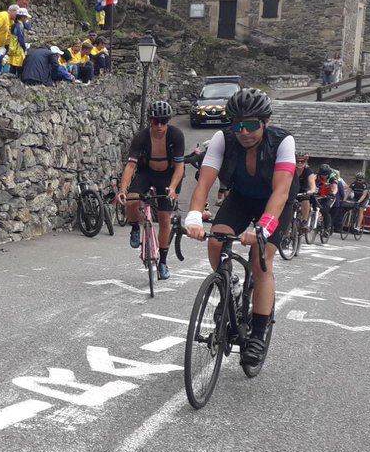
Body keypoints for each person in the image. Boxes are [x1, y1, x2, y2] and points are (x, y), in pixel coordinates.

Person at [185, 89, 297, 368]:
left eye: (251, 125)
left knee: (261, 260)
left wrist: (263, 228)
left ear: (265, 123)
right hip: (242, 199)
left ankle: (258, 333)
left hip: (275, 203)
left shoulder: (283, 142)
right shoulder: (224, 139)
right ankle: (228, 287)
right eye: (238, 125)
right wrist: (194, 217)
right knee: (215, 241)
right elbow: (204, 184)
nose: (244, 132)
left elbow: (281, 193)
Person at [117, 101, 187, 281]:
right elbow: (131, 166)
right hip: (147, 173)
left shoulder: (176, 135)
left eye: (164, 121)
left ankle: (163, 262)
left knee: (164, 219)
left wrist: (172, 188)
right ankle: (134, 227)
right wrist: (122, 191)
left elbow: (180, 167)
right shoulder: (141, 137)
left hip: (169, 176)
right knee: (132, 199)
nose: (160, 126)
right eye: (156, 122)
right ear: (150, 121)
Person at [294, 153, 316, 232]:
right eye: (297, 161)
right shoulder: (291, 168)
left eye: (302, 161)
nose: (299, 163)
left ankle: (304, 221)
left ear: (306, 162)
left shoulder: (308, 170)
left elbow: (312, 182)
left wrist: (312, 190)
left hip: (304, 190)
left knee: (305, 199)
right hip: (293, 189)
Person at [8, 8, 30, 77]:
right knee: (19, 67)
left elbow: (28, 26)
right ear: (22, 17)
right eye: (26, 17)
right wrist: (24, 48)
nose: (26, 19)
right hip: (18, 50)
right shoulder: (19, 26)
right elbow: (20, 39)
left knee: (13, 67)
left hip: (13, 50)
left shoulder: (16, 24)